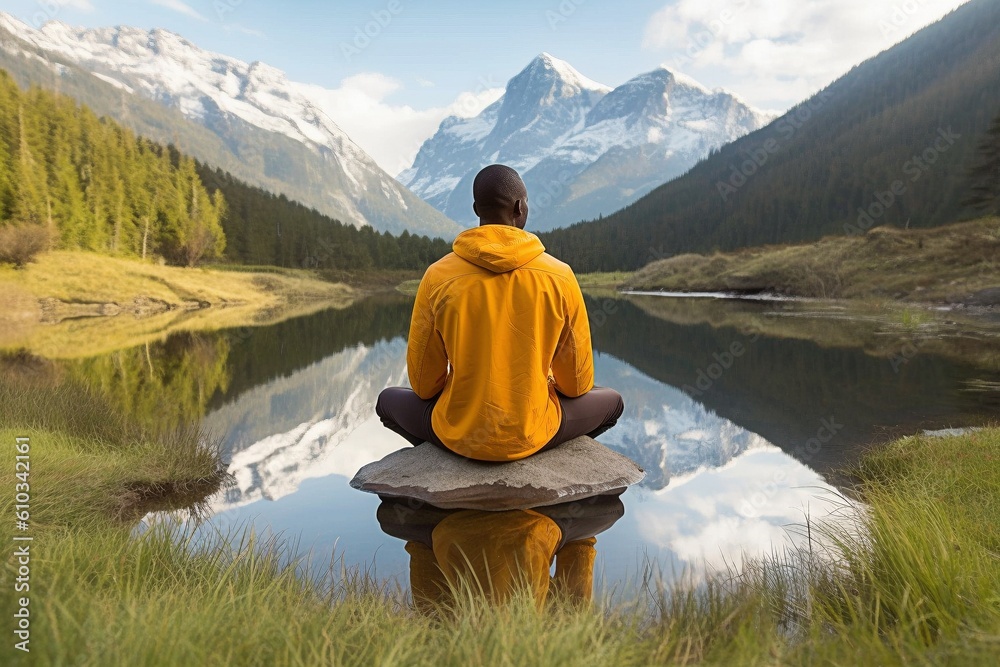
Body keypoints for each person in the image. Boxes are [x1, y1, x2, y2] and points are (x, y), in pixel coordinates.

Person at [375, 164, 623, 461]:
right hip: (533, 433)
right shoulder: (560, 276)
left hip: (458, 435)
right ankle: (537, 455)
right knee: (613, 403)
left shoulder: (437, 276)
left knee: (387, 401)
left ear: (476, 208)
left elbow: (425, 386)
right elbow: (577, 385)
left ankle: (453, 455)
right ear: (520, 207)